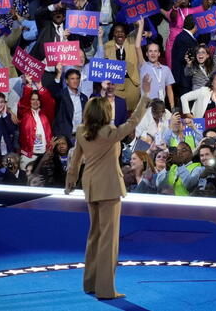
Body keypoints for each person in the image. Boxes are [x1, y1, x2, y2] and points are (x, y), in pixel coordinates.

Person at [65, 75, 151, 300]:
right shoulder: (110, 133)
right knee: (108, 240)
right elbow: (133, 123)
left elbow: (75, 160)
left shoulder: (83, 130)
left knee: (94, 235)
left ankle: (90, 283)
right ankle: (105, 289)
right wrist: (145, 96)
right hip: (109, 189)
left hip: (91, 187)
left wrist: (70, 182)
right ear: (104, 113)